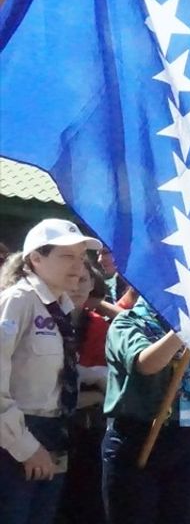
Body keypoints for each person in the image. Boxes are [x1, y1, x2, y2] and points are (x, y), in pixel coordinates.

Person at [0, 219, 100, 524]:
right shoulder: (17, 301)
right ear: (36, 258)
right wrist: (26, 447)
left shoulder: (59, 307)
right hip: (16, 438)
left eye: (81, 258)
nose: (78, 267)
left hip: (54, 432)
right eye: (66, 256)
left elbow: (47, 370)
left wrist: (95, 375)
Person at [101, 296, 190, 524]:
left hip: (183, 438)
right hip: (137, 438)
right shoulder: (128, 322)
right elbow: (146, 363)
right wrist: (182, 330)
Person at [57, 262, 111, 524]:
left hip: (91, 430)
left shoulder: (101, 326)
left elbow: (109, 384)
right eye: (73, 278)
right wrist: (96, 395)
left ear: (93, 285)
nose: (78, 286)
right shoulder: (45, 320)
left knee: (89, 501)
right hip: (52, 425)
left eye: (85, 280)